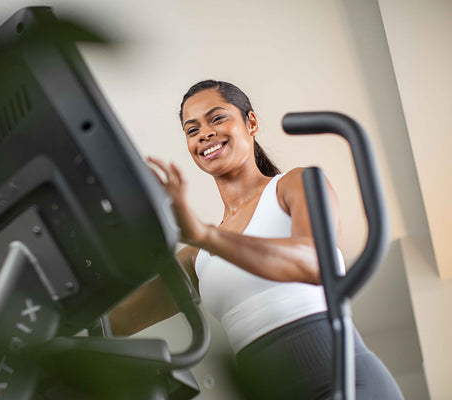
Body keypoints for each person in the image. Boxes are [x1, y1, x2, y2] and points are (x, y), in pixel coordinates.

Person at [109, 80, 403, 399]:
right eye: (192, 130)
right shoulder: (198, 256)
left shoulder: (294, 185)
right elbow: (114, 323)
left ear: (251, 123)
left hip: (342, 381)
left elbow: (314, 263)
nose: (204, 133)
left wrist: (205, 234)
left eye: (217, 118)